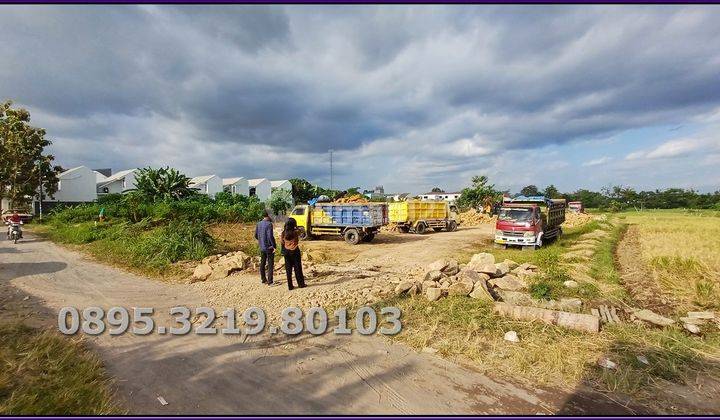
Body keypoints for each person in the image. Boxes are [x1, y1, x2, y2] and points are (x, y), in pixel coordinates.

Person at [280, 218, 306, 290]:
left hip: (286, 252)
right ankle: (301, 284)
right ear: (293, 225)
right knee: (298, 268)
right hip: (295, 251)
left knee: (288, 270)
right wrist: (296, 226)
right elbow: (302, 232)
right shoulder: (295, 232)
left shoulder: (283, 233)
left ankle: (290, 286)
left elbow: (282, 242)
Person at [254, 210, 276, 285]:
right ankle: (270, 281)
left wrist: (261, 241)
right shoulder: (269, 224)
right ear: (268, 215)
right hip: (269, 247)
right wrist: (273, 245)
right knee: (270, 264)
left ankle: (263, 279)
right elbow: (270, 236)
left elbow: (256, 235)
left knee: (262, 263)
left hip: (262, 247)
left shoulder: (258, 224)